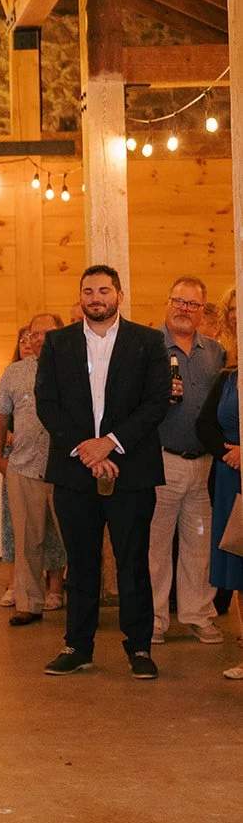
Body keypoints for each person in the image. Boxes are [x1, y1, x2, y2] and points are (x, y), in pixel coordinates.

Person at [36, 265, 171, 680]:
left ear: (119, 295)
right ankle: (78, 646)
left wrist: (109, 443)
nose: (96, 297)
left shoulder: (147, 342)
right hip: (74, 470)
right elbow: (47, 403)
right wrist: (87, 450)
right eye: (88, 291)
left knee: (132, 561)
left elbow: (156, 401)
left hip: (131, 468)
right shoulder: (57, 343)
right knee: (81, 562)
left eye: (104, 290)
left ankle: (140, 648)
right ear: (80, 298)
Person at [147, 277, 225, 646]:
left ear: (201, 311)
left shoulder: (215, 353)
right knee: (156, 547)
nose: (184, 309)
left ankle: (198, 614)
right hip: (161, 462)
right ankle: (155, 620)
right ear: (168, 302)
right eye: (178, 300)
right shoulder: (147, 347)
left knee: (199, 545)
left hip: (204, 466)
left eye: (192, 304)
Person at [0, 314, 66, 625]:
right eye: (35, 334)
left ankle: (84, 604)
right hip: (23, 467)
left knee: (75, 540)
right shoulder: (15, 372)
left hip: (66, 470)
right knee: (27, 541)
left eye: (48, 333)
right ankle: (28, 602)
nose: (40, 339)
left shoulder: (74, 369)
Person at [196, 363, 243, 680]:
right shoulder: (229, 377)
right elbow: (205, 425)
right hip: (231, 475)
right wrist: (228, 453)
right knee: (241, 566)